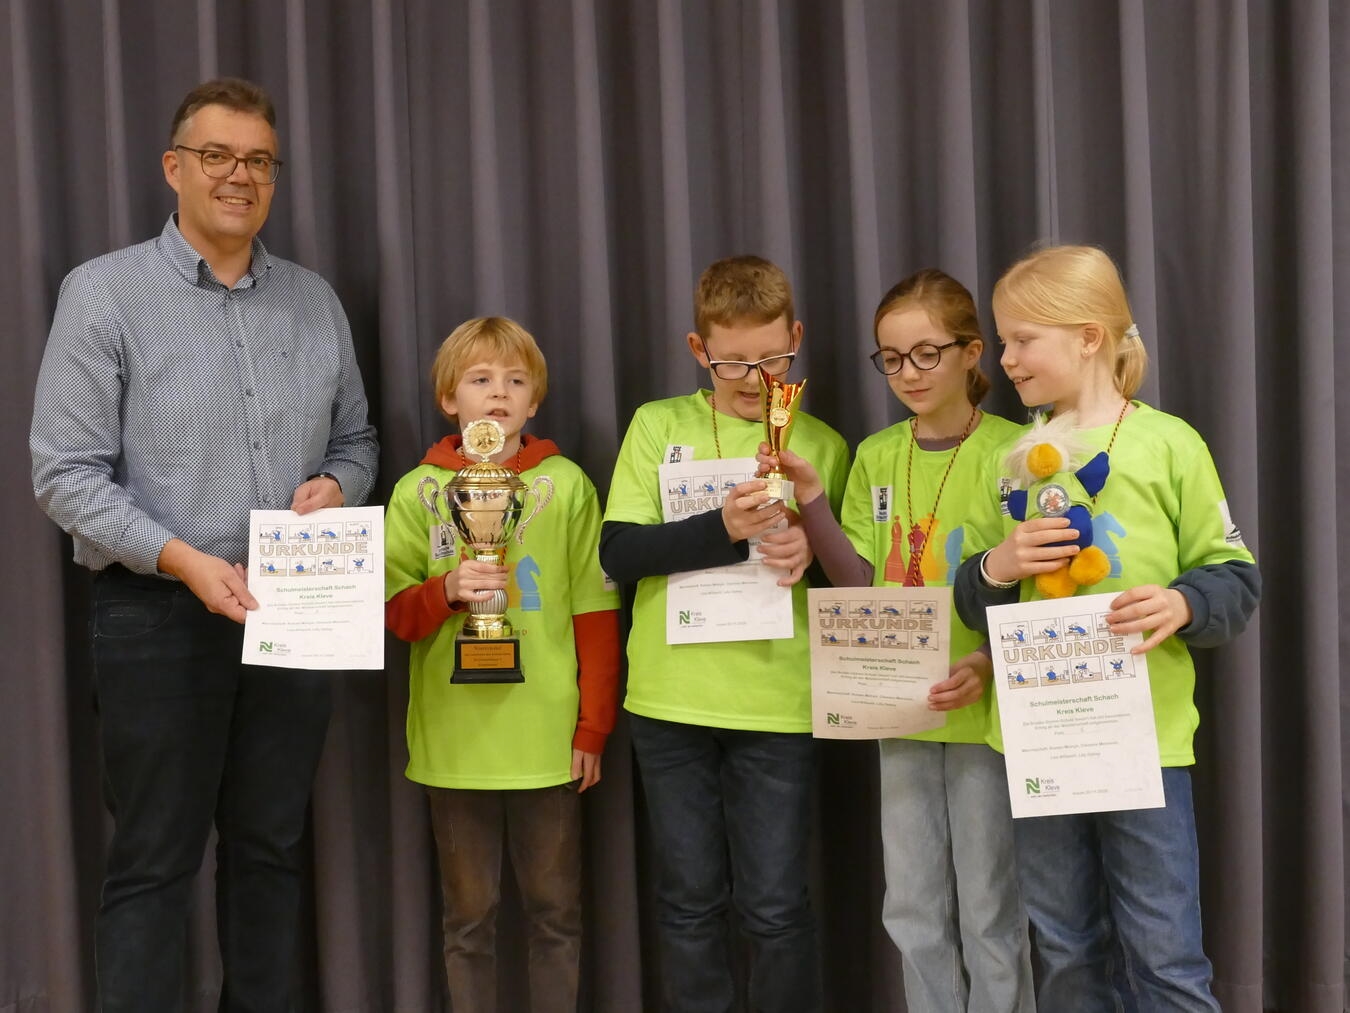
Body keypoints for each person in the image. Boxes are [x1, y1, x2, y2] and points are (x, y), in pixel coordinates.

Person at [29, 78, 378, 1011]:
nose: (240, 176)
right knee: (152, 863)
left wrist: (339, 483)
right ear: (173, 168)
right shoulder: (103, 294)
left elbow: (357, 439)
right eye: (218, 156)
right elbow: (64, 474)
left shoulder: (314, 302)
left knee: (271, 852)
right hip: (157, 613)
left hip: (293, 616)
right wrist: (184, 557)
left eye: (259, 160)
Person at [953, 244, 1261, 1012]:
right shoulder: (1009, 456)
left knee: (1163, 949)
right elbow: (973, 604)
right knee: (1060, 942)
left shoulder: (1169, 443)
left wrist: (1184, 603)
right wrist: (996, 567)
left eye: (1023, 339)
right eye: (1002, 339)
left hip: (1144, 743)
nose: (1005, 357)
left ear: (1088, 336)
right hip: (1039, 739)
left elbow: (1236, 576)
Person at [760, 269, 1035, 1012]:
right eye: (890, 357)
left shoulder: (1019, 452)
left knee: (989, 906)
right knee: (911, 906)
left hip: (986, 713)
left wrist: (984, 662)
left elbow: (1038, 589)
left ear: (972, 353)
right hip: (899, 703)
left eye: (926, 354)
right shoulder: (878, 455)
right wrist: (812, 501)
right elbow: (852, 580)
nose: (907, 373)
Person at [600, 255, 849, 1012]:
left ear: (796, 338)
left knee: (776, 908)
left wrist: (810, 554)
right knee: (688, 903)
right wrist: (723, 529)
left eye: (773, 358)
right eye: (734, 359)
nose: (753, 377)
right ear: (697, 349)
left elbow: (853, 577)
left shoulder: (824, 445)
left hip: (778, 704)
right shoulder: (656, 425)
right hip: (671, 705)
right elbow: (619, 554)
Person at [384, 317, 620, 1013]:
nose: (499, 394)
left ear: (535, 400)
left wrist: (593, 726)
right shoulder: (416, 491)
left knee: (556, 915)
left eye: (516, 381)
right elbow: (391, 611)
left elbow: (595, 613)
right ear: (449, 398)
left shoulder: (567, 485)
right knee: (468, 919)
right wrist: (445, 590)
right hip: (455, 745)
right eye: (481, 379)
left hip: (547, 741)